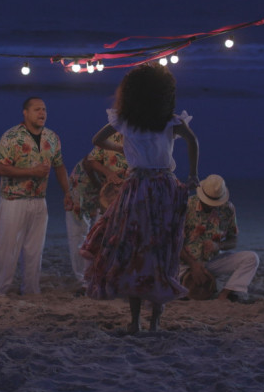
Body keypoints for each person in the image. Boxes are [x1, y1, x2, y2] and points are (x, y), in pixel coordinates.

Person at [81, 64, 199, 333]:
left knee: (134, 250)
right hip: (163, 186)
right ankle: (155, 321)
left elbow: (97, 140)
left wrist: (121, 148)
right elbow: (193, 142)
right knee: (160, 251)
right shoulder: (170, 121)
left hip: (137, 186)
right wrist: (193, 174)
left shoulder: (126, 120)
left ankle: (135, 321)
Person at [0, 97, 71, 296]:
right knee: (7, 248)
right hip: (13, 199)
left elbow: (59, 166)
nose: (42, 113)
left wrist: (68, 193)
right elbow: (1, 168)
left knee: (35, 249)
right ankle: (0, 290)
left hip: (39, 200)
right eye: (37, 109)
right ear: (25, 113)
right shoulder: (11, 136)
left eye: (44, 109)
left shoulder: (52, 138)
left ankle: (30, 290)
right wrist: (31, 172)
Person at [179, 174, 259, 303]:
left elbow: (233, 240)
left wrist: (218, 246)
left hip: (212, 261)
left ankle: (227, 292)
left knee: (251, 258)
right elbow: (173, 243)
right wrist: (193, 264)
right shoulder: (185, 206)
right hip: (184, 262)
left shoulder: (228, 209)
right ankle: (185, 283)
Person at [65, 133, 128, 286]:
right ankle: (83, 279)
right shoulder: (114, 137)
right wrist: (107, 176)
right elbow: (89, 161)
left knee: (109, 231)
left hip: (107, 188)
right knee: (80, 232)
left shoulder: (143, 141)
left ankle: (104, 276)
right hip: (84, 182)